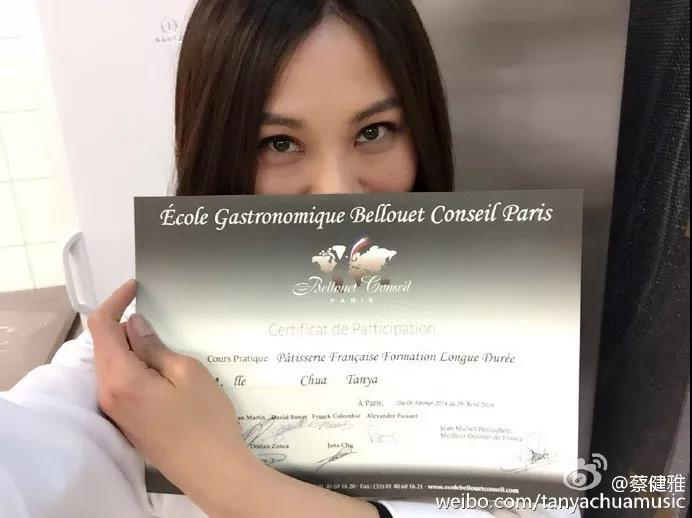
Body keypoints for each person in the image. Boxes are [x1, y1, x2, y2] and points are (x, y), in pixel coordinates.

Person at [0, 1, 572, 517]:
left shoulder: (507, 328)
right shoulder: (131, 373)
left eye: (374, 131)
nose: (338, 196)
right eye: (280, 143)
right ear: (220, 149)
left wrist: (230, 483)